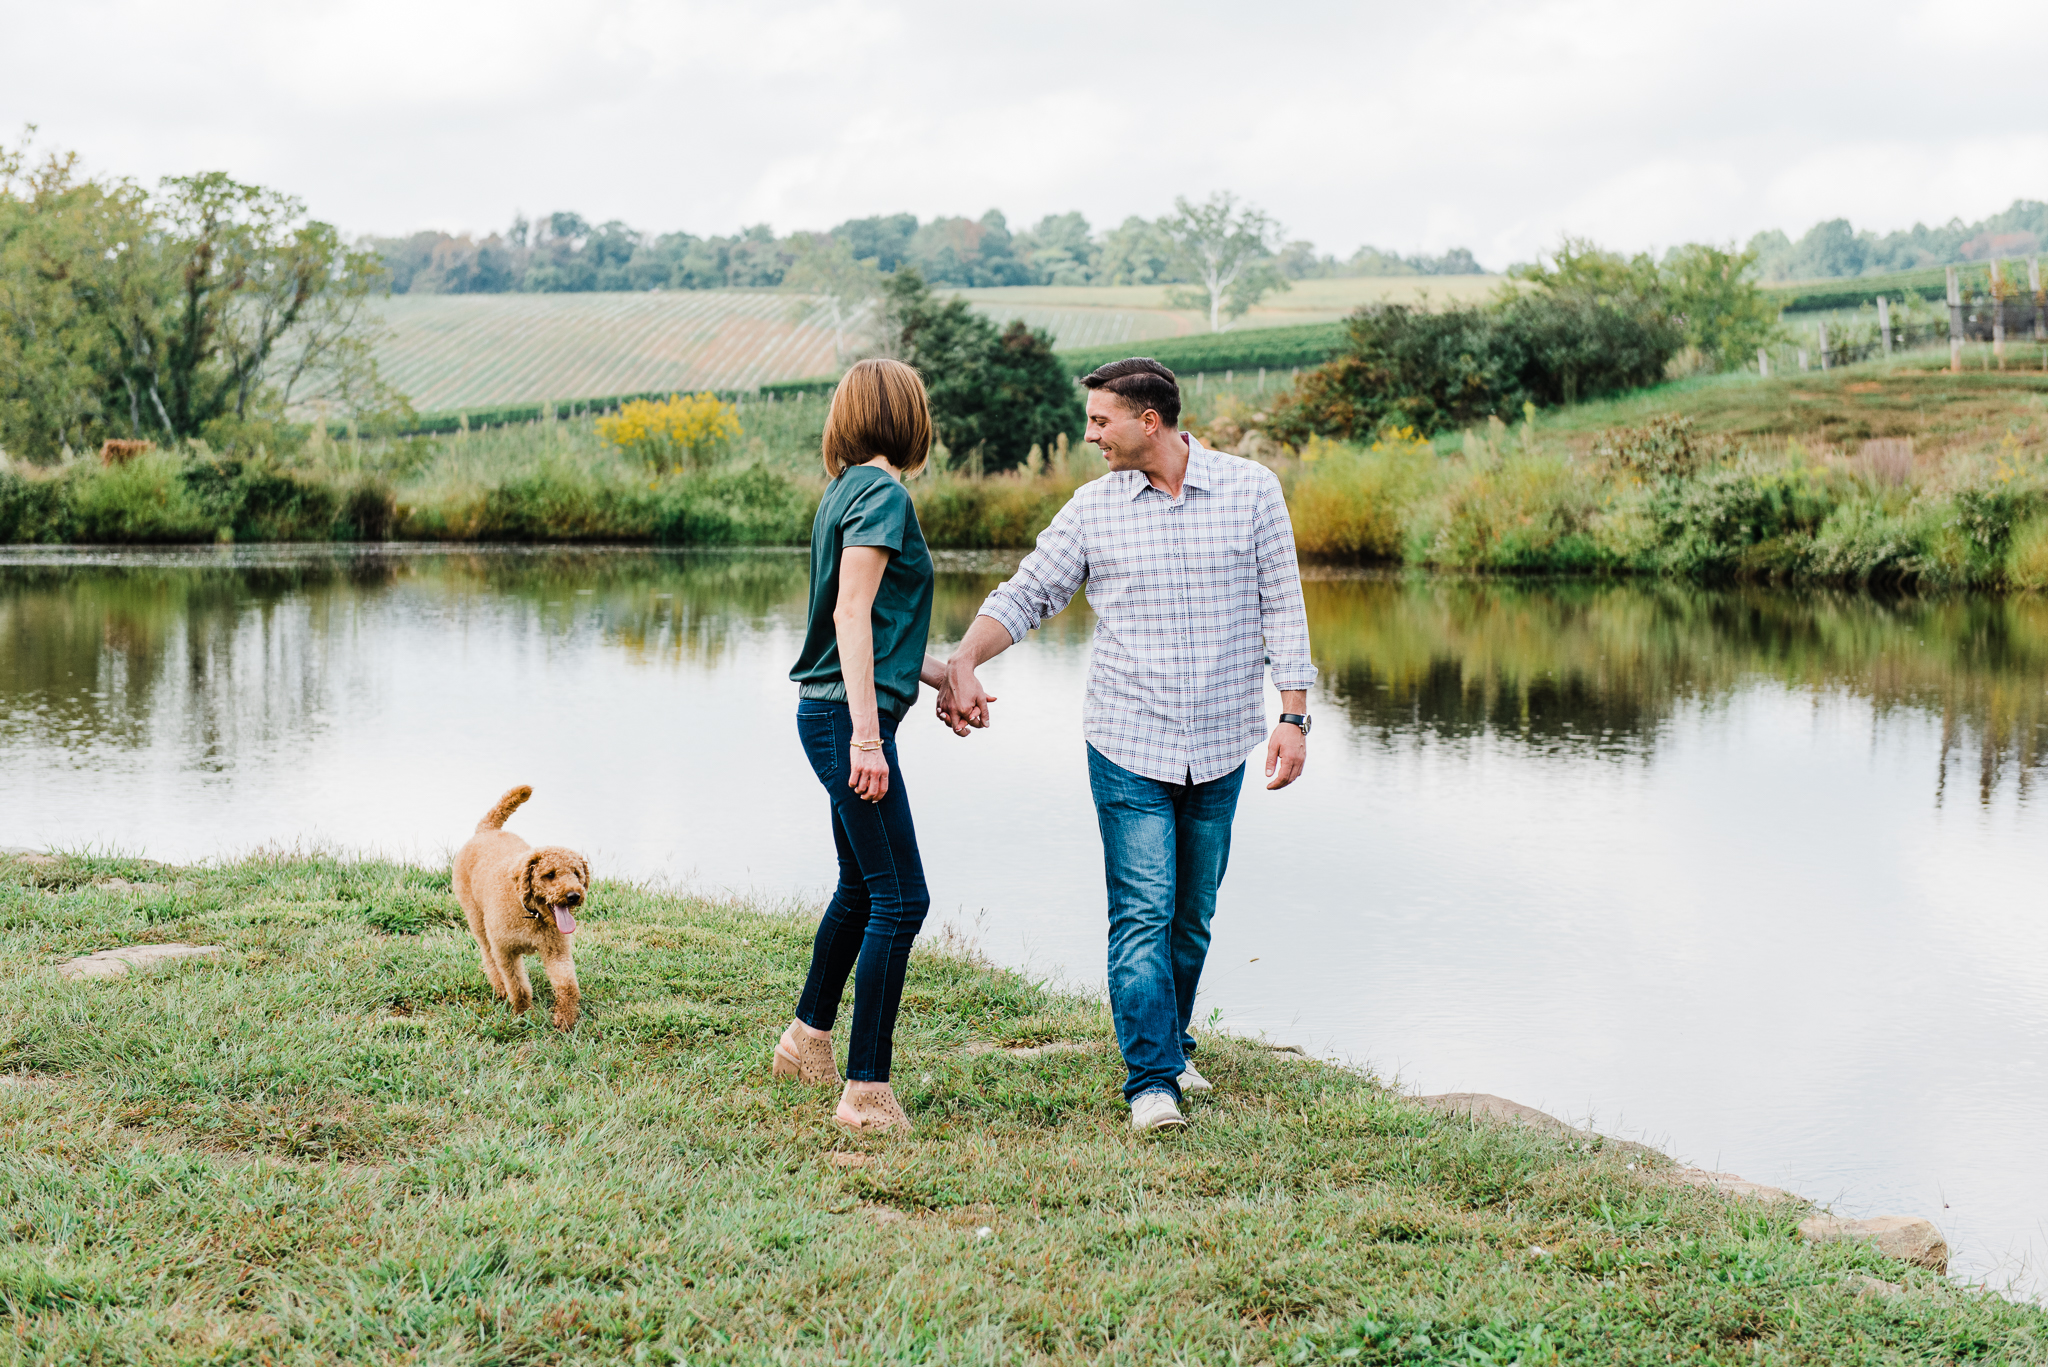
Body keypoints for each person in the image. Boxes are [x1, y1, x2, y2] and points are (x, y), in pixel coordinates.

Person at [941, 357, 1315, 1133]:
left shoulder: (1252, 491)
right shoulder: (1092, 509)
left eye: (1100, 420)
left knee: (1192, 915)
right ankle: (1150, 1080)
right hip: (1126, 739)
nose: (1089, 435)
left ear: (1151, 421)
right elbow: (1028, 590)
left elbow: (1283, 601)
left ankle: (1170, 1044)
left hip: (1221, 742)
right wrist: (965, 660)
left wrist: (1294, 714)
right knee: (1143, 911)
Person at [776, 358, 951, 1132]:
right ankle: (865, 1092)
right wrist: (869, 739)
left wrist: (944, 673)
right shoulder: (883, 492)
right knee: (901, 897)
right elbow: (850, 618)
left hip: (831, 712)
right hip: (847, 721)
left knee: (862, 887)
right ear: (908, 417)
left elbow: (874, 629)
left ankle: (804, 1042)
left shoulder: (845, 490)